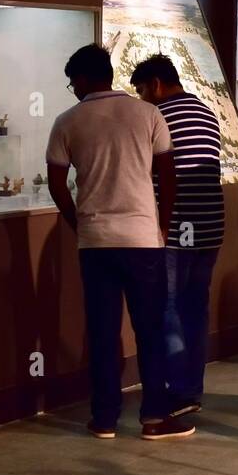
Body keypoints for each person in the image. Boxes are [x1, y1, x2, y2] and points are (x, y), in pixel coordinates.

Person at [46, 44, 193, 441]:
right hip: (143, 239)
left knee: (103, 330)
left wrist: (79, 222)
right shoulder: (148, 113)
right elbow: (167, 174)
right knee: (150, 329)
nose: (72, 88)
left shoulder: (67, 121)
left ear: (82, 79)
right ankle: (154, 417)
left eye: (72, 81)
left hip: (95, 241)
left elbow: (57, 184)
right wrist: (161, 226)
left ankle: (105, 418)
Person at [130, 53, 223, 418]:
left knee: (166, 308)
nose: (141, 98)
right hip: (211, 226)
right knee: (194, 308)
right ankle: (191, 389)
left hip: (175, 227)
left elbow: (150, 171)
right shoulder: (205, 110)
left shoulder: (158, 115)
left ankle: (173, 390)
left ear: (155, 84)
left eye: (141, 90)